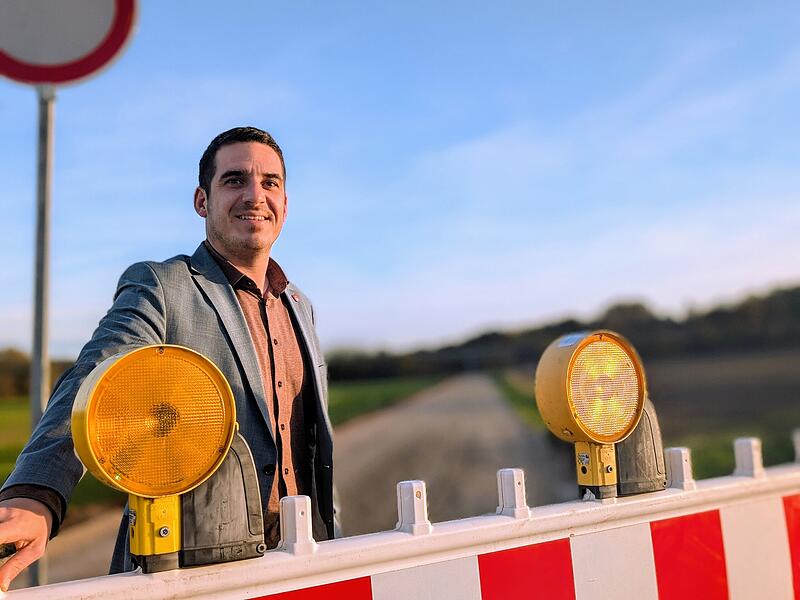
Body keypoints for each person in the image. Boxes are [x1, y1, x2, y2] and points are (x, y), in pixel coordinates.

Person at [0, 126, 338, 590]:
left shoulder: (300, 305)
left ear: (285, 202)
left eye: (270, 182)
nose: (255, 195)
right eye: (234, 180)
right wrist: (36, 493)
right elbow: (92, 381)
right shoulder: (161, 286)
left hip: (305, 563)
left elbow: (315, 447)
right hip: (191, 574)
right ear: (202, 201)